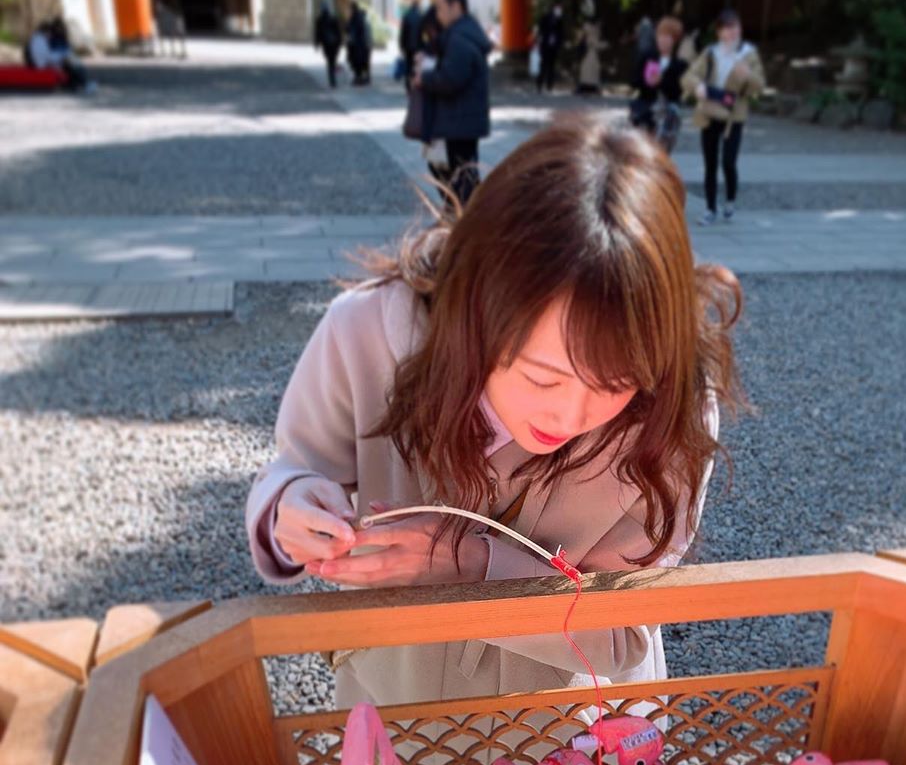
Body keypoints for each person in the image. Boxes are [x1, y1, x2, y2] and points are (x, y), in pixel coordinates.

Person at [246, 116, 744, 711]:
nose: (571, 413)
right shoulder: (369, 334)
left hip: (582, 738)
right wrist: (289, 509)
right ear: (475, 311)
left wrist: (468, 564)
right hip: (401, 706)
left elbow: (624, 631)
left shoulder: (674, 403)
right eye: (542, 376)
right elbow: (299, 466)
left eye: (615, 383)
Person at [681, 9, 765, 223]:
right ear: (719, 32)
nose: (732, 32)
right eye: (727, 28)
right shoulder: (710, 53)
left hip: (733, 116)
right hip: (709, 112)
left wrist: (748, 75)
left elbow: (760, 85)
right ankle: (710, 208)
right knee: (710, 162)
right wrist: (698, 86)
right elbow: (688, 76)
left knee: (728, 161)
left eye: (735, 27)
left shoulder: (748, 54)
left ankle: (730, 199)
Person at [414, 0, 491, 207]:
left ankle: (467, 225)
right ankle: (464, 222)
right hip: (460, 121)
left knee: (458, 179)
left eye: (440, 8)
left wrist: (424, 78)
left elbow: (451, 78)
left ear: (455, 6)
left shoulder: (460, 38)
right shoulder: (462, 33)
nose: (437, 14)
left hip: (458, 122)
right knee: (460, 177)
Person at [629, 15, 687, 154]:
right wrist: (647, 81)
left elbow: (678, 92)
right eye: (660, 35)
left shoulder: (680, 64)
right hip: (646, 110)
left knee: (662, 153)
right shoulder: (647, 56)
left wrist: (662, 81)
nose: (663, 40)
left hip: (667, 115)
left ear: (675, 40)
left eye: (668, 37)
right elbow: (633, 82)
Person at [25, 17, 93, 92]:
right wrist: (60, 56)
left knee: (72, 63)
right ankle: (83, 84)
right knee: (70, 64)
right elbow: (46, 57)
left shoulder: (38, 39)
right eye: (49, 33)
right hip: (42, 65)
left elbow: (46, 55)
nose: (50, 36)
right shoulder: (39, 41)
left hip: (43, 63)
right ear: (45, 32)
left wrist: (60, 56)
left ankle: (81, 84)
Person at [314, 0, 343, 89]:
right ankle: (333, 79)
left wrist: (317, 44)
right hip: (334, 44)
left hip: (326, 44)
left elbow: (317, 33)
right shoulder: (333, 18)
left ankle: (332, 79)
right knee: (333, 61)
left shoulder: (319, 20)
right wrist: (339, 42)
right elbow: (338, 32)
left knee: (329, 62)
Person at [536, 3, 564, 92]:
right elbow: (540, 30)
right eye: (558, 9)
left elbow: (561, 33)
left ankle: (549, 86)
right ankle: (539, 85)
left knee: (552, 67)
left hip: (554, 46)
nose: (559, 11)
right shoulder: (545, 18)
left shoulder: (560, 20)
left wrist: (559, 43)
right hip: (545, 45)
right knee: (543, 66)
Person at [345, 1, 371, 85]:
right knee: (361, 62)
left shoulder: (354, 18)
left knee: (356, 62)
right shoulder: (360, 17)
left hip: (356, 45)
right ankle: (361, 78)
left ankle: (359, 78)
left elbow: (349, 29)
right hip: (360, 44)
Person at [398, 0, 423, 86]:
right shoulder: (421, 17)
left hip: (407, 46)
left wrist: (401, 46)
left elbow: (402, 33)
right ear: (418, 6)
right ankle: (415, 81)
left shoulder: (406, 16)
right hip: (418, 46)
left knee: (408, 64)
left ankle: (408, 82)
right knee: (416, 65)